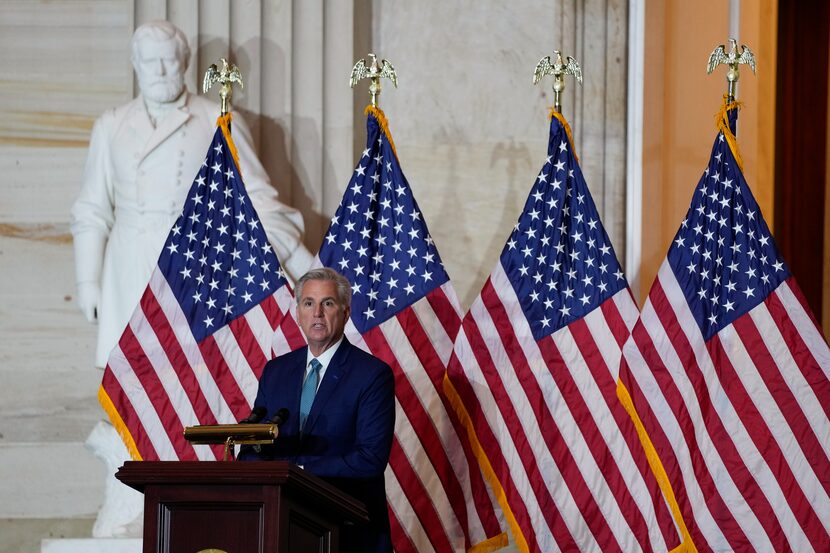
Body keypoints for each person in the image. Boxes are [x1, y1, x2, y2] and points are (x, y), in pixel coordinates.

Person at [70, 20, 313, 368]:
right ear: (135, 64)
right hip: (129, 266)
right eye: (150, 60)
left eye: (168, 59)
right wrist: (88, 281)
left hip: (193, 265)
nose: (160, 69)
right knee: (132, 374)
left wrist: (300, 261)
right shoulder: (111, 125)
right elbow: (91, 210)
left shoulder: (217, 118)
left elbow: (256, 198)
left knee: (191, 376)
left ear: (184, 62)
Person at [239, 268, 396, 553]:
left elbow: (370, 459)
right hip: (279, 528)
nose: (317, 313)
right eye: (308, 303)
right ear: (298, 313)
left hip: (347, 533)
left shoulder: (372, 375)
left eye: (328, 303)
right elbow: (252, 446)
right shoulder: (276, 371)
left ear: (346, 312)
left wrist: (298, 473)